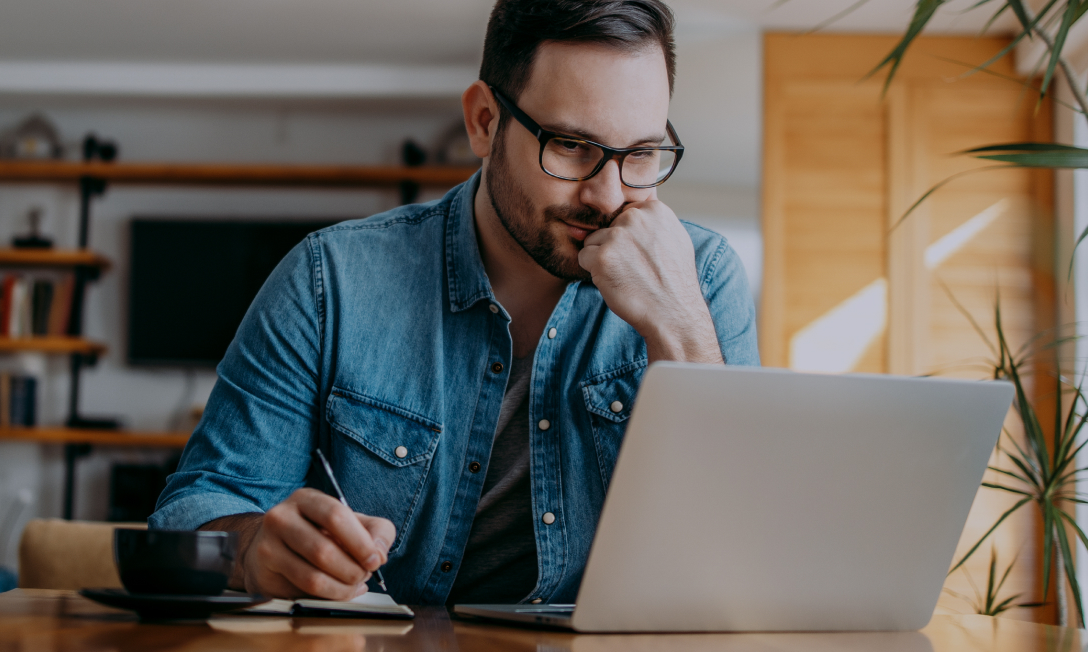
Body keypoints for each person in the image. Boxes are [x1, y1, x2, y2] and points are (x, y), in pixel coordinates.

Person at [149, 0, 757, 606]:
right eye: (572, 146)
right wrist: (255, 547)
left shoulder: (701, 278)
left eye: (642, 154)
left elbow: (746, 554)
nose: (608, 195)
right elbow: (189, 515)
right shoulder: (328, 280)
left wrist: (679, 330)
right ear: (485, 122)